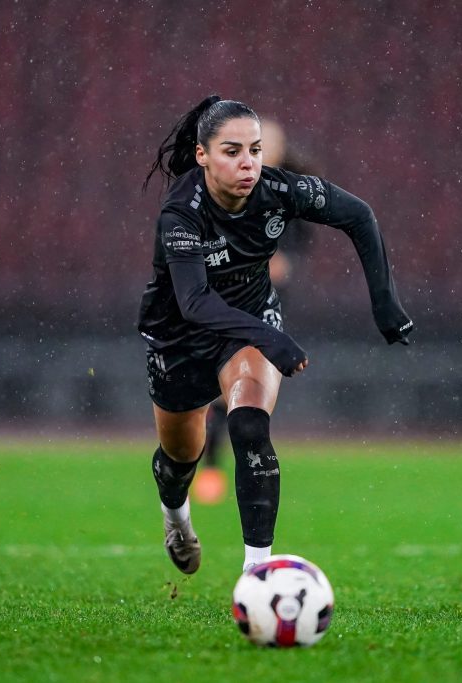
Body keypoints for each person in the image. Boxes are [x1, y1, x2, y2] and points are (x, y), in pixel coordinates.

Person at [138, 95, 414, 574]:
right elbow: (195, 302)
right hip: (180, 335)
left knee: (248, 425)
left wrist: (385, 303)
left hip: (248, 321)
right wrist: (274, 340)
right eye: (232, 151)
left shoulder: (278, 189)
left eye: (255, 150)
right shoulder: (181, 212)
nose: (248, 163)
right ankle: (176, 518)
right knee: (180, 458)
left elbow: (359, 216)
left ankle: (257, 574)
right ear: (203, 155)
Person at [192, 117, 316, 505]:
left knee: (245, 390)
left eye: (266, 145)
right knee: (220, 389)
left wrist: (284, 260)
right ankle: (212, 465)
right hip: (227, 299)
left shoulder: (290, 194)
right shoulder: (226, 190)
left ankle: (235, 470)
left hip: (264, 304)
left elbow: (299, 241)